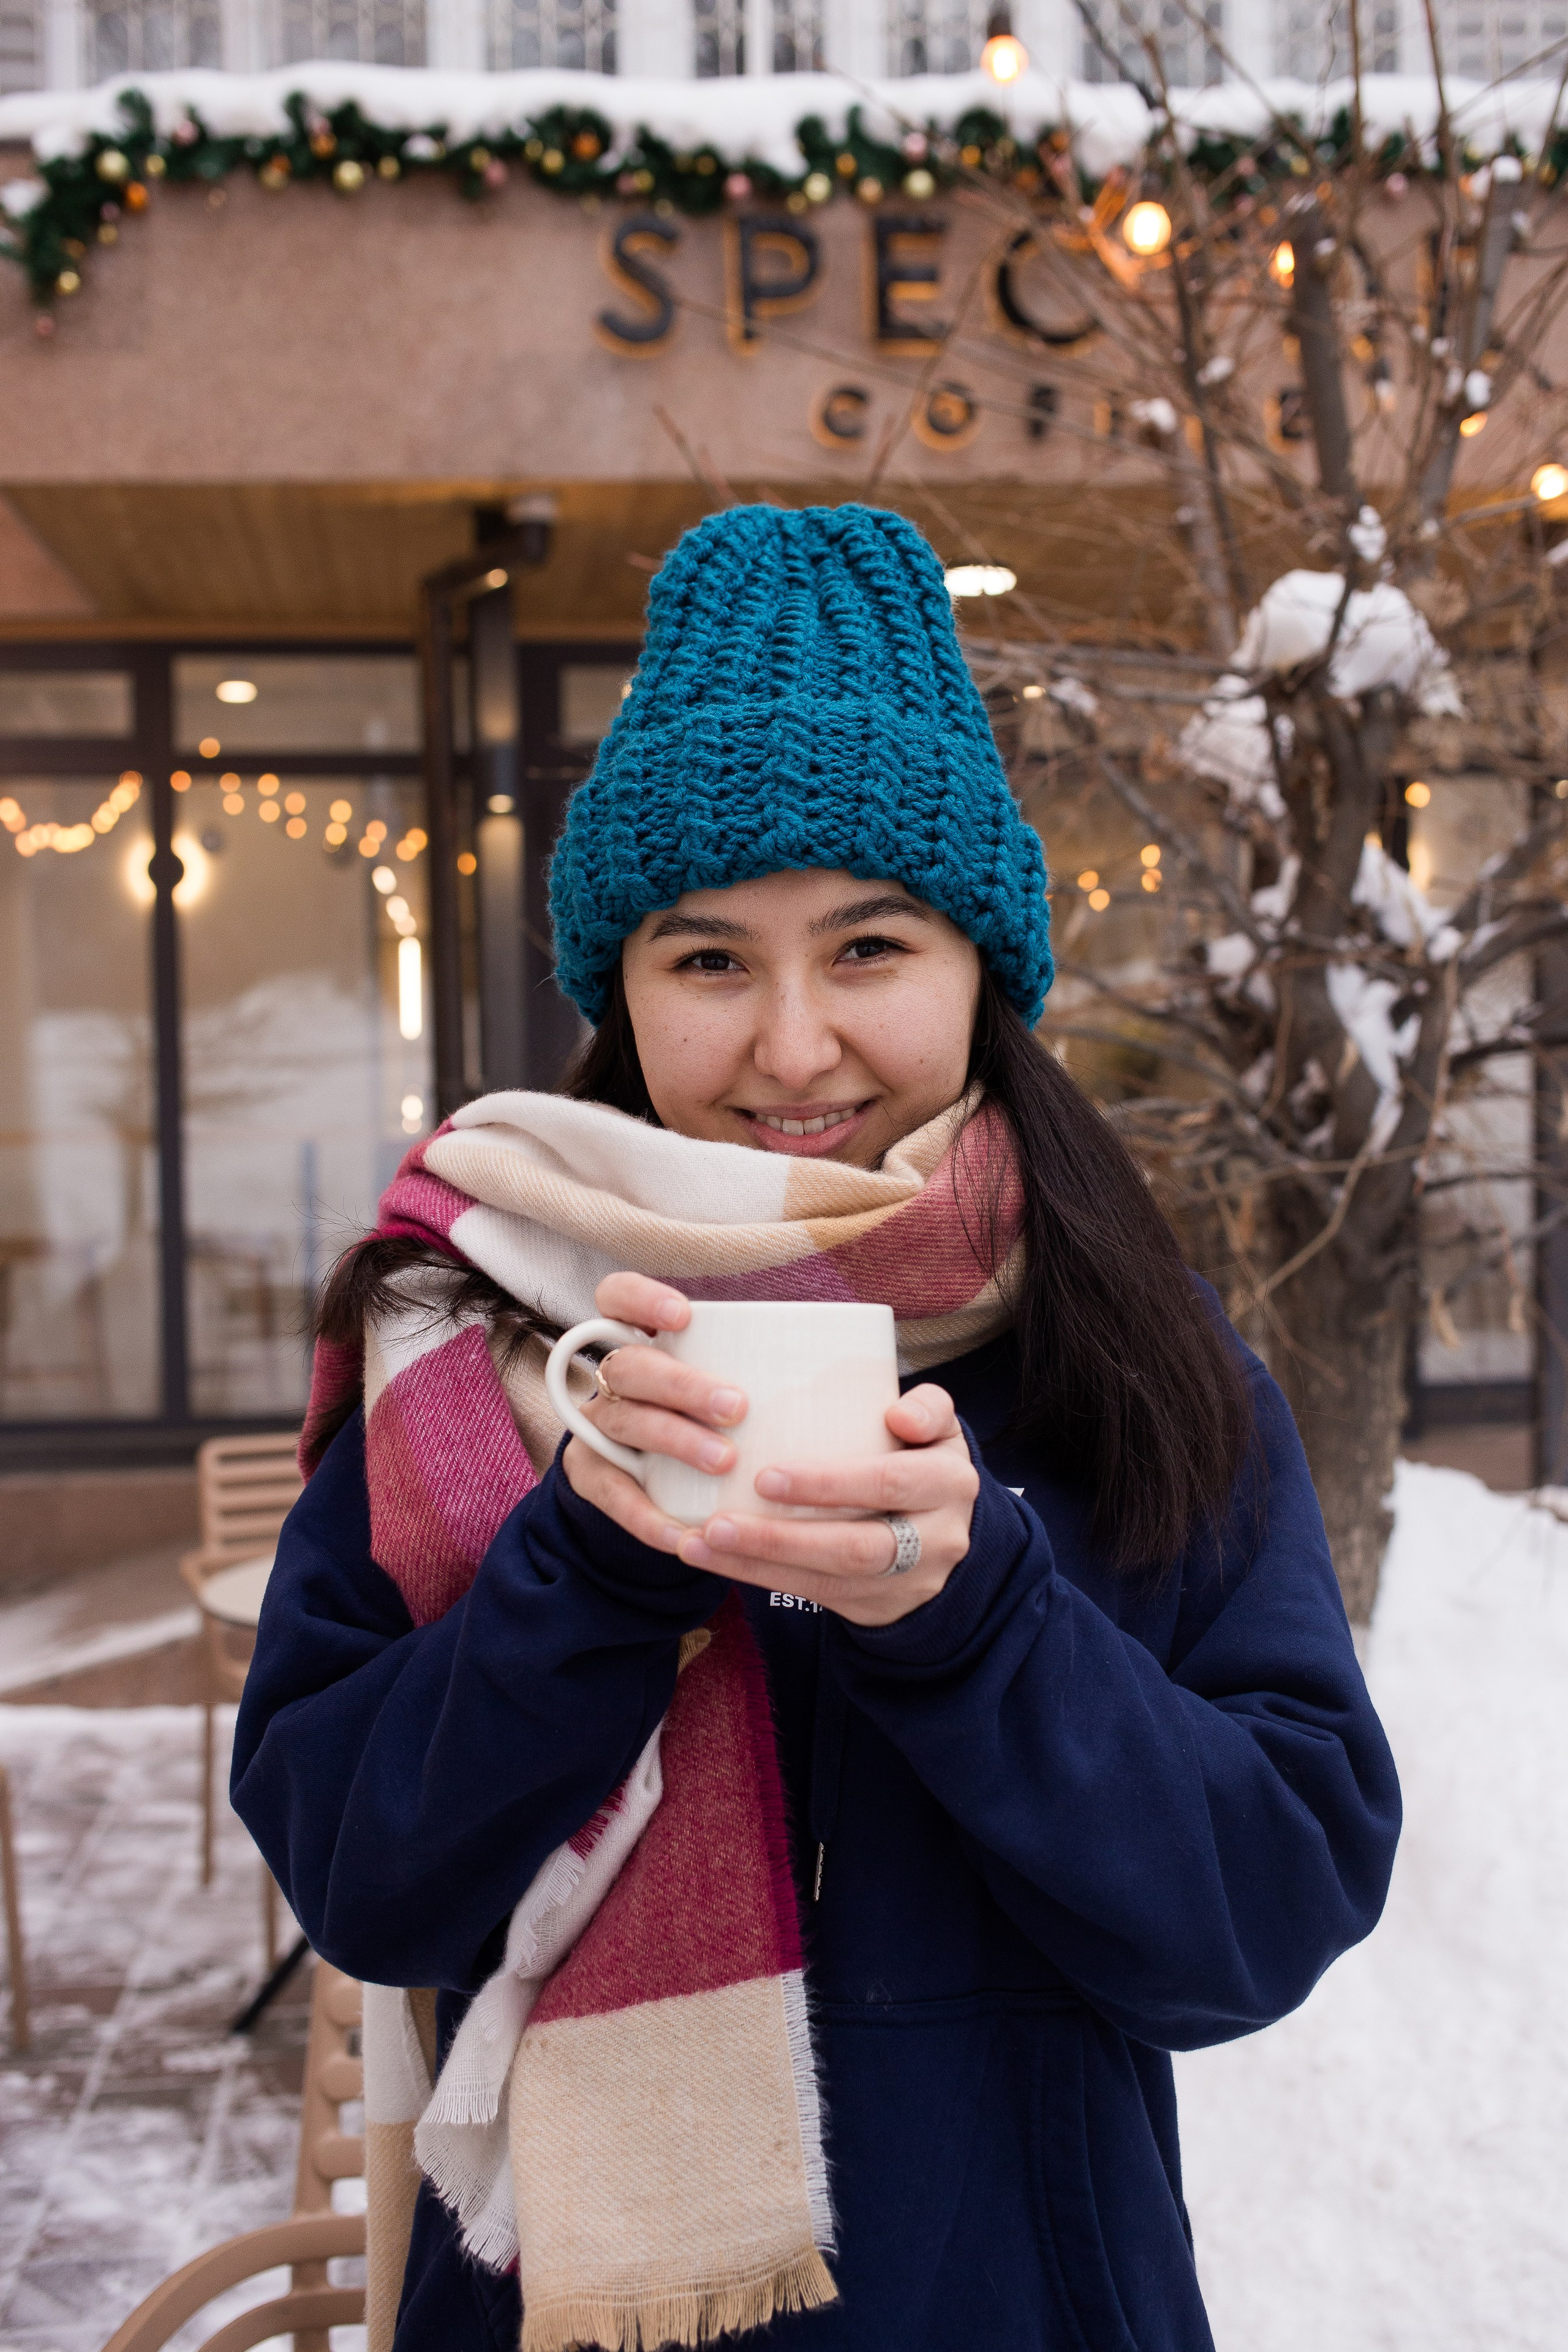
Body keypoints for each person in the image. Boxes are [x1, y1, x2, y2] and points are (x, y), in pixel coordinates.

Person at [233, 502, 1400, 2352]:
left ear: (979, 973)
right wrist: (588, 1572)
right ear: (617, 985)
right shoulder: (462, 1338)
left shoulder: (1132, 1359)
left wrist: (976, 1619)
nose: (791, 1049)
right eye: (708, 960)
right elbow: (361, 1877)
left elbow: (1266, 1911)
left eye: (867, 949)